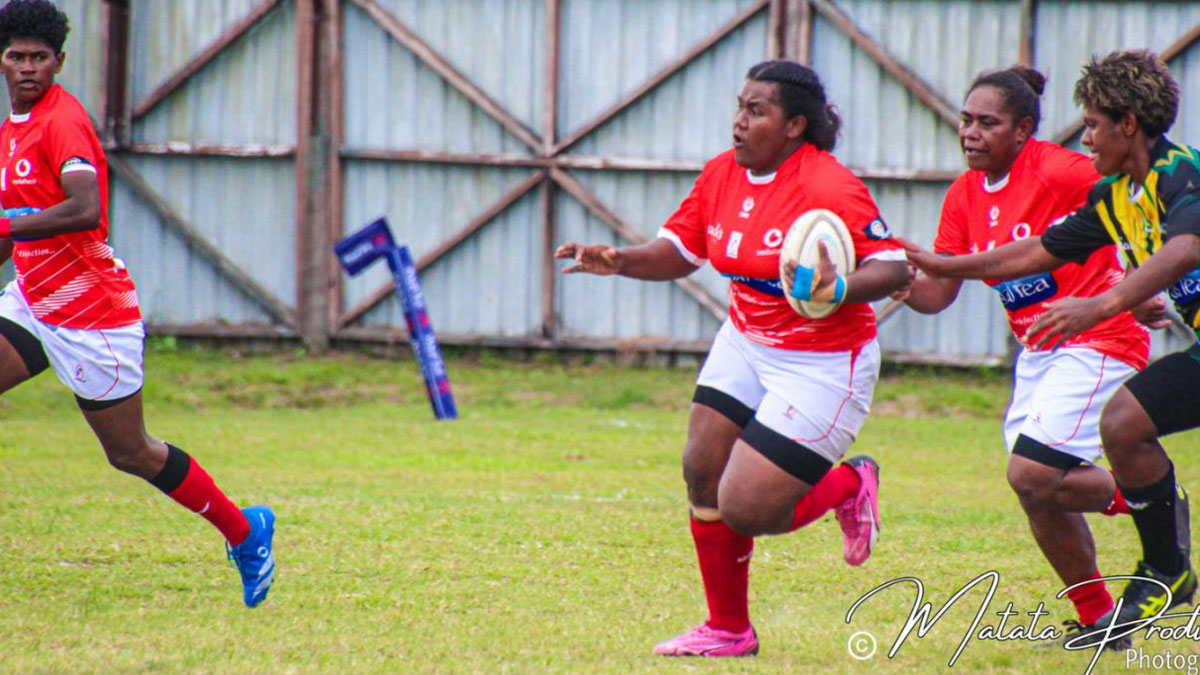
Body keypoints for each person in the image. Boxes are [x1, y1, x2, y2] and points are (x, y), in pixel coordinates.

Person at [555, 60, 909, 657]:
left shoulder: (827, 186)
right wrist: (619, 260)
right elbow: (679, 251)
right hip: (746, 341)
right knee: (701, 467)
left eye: (756, 111)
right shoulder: (723, 173)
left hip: (823, 362)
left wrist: (837, 288)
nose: (739, 122)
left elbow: (894, 269)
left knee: (747, 508)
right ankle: (728, 629)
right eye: (740, 107)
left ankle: (851, 483)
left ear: (795, 126)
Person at [903, 49, 1198, 642]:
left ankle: (1159, 517)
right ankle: (1136, 591)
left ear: (1127, 125)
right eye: (966, 120)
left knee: (1039, 468)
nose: (1085, 139)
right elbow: (1041, 250)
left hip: (1095, 339)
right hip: (1055, 347)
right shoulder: (1115, 195)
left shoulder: (1179, 171)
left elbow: (1186, 246)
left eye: (1092, 125)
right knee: (1093, 445)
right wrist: (932, 266)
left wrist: (1108, 300)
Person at [0, 0, 275, 607]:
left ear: (59, 62)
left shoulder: (62, 121)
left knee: (130, 453)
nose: (28, 67)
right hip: (34, 300)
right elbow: (14, 225)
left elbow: (85, 207)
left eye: (39, 57)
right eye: (17, 56)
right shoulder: (12, 130)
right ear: (2, 61)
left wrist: (7, 228)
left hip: (91, 315)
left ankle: (244, 531)